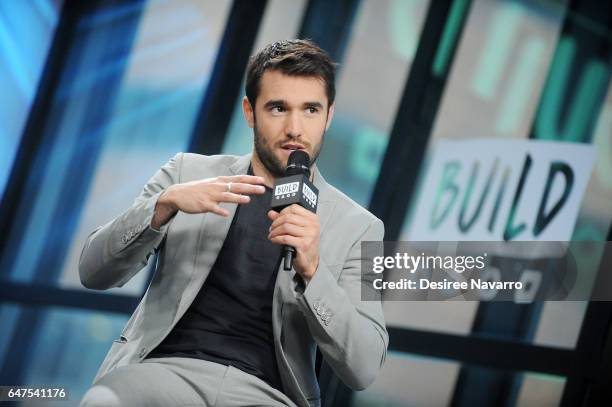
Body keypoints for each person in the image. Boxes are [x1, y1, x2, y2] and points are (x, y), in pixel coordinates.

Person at [79, 39, 388, 407]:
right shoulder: (186, 173)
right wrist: (163, 206)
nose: (294, 128)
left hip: (269, 395)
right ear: (250, 112)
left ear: (328, 116)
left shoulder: (359, 227)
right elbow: (93, 272)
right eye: (277, 108)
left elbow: (364, 368)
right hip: (165, 373)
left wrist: (314, 271)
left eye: (310, 110)